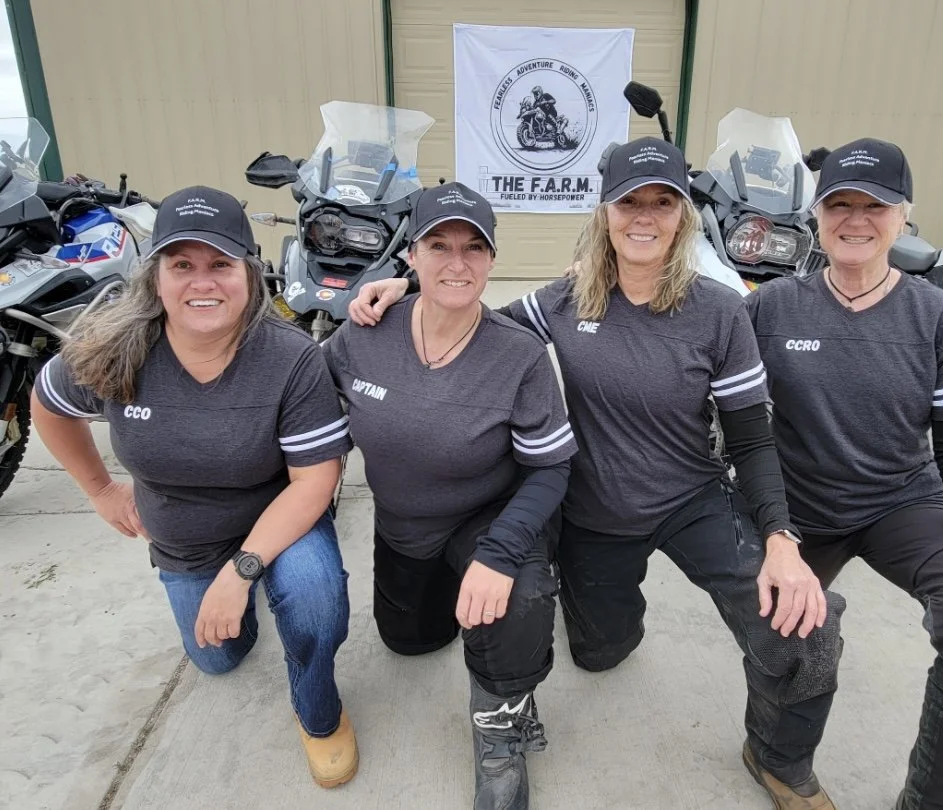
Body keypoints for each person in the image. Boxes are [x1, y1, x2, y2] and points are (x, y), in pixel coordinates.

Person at [350, 139, 846, 810]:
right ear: (604, 212)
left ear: (682, 216)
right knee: (600, 654)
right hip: (593, 513)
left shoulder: (719, 310)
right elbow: (471, 315)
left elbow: (753, 437)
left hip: (692, 499)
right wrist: (405, 286)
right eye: (628, 202)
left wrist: (781, 541)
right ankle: (597, 622)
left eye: (661, 202)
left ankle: (778, 757)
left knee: (801, 625)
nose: (643, 216)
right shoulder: (563, 299)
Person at [745, 138, 943, 809]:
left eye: (874, 205)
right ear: (816, 214)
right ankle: (773, 754)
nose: (855, 219)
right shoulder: (770, 309)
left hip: (901, 502)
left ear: (903, 213)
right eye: (839, 204)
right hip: (795, 507)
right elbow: (713, 389)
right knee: (792, 627)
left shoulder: (939, 317)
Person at [30, 186, 358, 789]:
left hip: (280, 526)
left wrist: (241, 573)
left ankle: (319, 711)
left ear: (250, 275)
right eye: (182, 264)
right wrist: (101, 490)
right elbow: (48, 405)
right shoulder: (116, 347)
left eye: (220, 264)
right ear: (156, 276)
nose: (201, 282)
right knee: (218, 659)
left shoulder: (291, 360)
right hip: (184, 542)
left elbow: (316, 481)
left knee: (313, 603)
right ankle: (231, 600)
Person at [323, 182, 577, 810]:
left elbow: (550, 471)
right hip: (403, 526)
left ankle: (502, 732)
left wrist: (500, 555)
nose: (457, 263)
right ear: (411, 255)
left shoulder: (518, 355)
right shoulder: (360, 337)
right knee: (408, 643)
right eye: (439, 245)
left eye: (474, 248)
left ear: (492, 261)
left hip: (482, 517)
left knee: (519, 595)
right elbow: (301, 424)